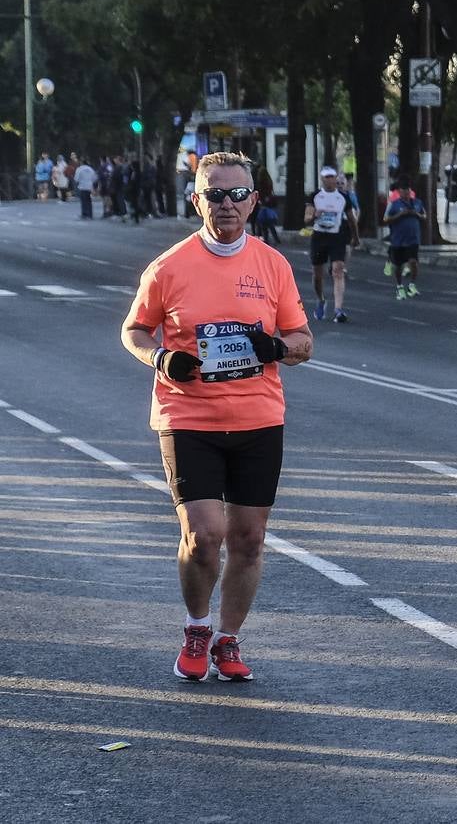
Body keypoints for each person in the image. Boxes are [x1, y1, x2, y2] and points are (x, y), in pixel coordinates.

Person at [120, 151, 314, 683]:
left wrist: (276, 347)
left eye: (236, 194)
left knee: (248, 540)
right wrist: (162, 357)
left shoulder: (272, 264)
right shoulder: (169, 266)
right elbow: (133, 331)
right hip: (188, 417)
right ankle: (197, 627)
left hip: (258, 418)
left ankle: (228, 640)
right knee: (204, 535)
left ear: (253, 200)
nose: (226, 204)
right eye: (214, 194)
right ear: (195, 199)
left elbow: (302, 341)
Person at [304, 166, 359, 323]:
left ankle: (338, 309)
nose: (330, 180)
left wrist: (356, 237)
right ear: (322, 179)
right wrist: (315, 215)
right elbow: (306, 219)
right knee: (317, 274)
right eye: (327, 177)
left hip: (337, 237)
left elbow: (351, 219)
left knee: (338, 270)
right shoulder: (315, 196)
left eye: (332, 177)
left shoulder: (343, 197)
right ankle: (321, 299)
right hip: (319, 237)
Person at [383, 176, 426, 299]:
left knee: (413, 261)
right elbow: (385, 219)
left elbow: (424, 216)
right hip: (398, 240)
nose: (406, 192)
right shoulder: (394, 205)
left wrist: (416, 214)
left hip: (413, 239)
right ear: (399, 191)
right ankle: (399, 286)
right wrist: (400, 215)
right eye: (403, 190)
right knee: (398, 266)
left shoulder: (417, 203)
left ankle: (412, 284)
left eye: (407, 190)